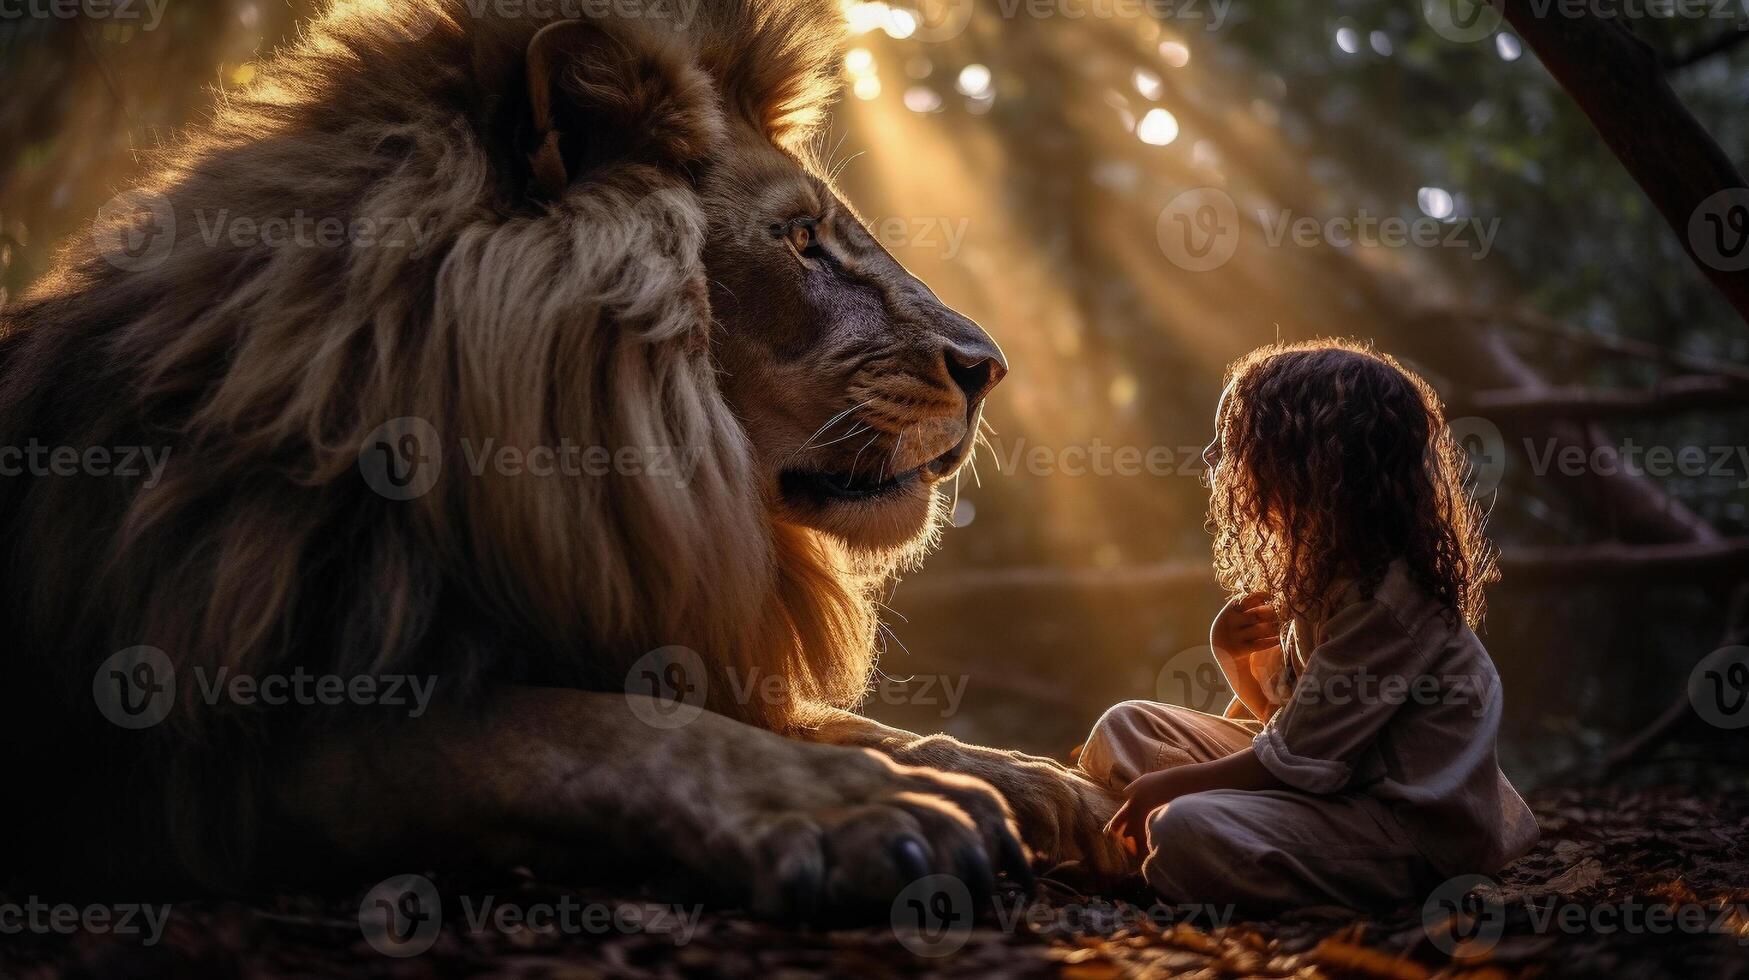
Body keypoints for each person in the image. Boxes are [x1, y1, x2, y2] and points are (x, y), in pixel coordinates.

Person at [1079, 339, 1538, 909]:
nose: (1220, 464)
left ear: (1310, 463)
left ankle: (1166, 854)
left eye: (1240, 446)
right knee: (1125, 726)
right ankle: (1154, 842)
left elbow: (1295, 758)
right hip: (1330, 787)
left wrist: (1171, 784)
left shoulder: (1388, 603)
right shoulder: (1323, 574)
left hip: (1403, 833)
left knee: (1186, 827)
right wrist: (1231, 655)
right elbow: (1289, 728)